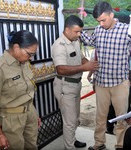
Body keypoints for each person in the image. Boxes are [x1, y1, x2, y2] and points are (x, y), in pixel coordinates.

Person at [80, 2, 131, 150]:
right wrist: (77, 30)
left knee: (121, 118)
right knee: (100, 117)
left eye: (103, 20)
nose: (101, 23)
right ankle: (99, 143)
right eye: (98, 21)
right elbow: (89, 41)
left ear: (112, 15)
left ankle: (120, 145)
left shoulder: (127, 30)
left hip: (120, 83)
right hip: (101, 83)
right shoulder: (98, 30)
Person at [51, 15, 99, 150]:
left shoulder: (75, 41)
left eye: (80, 32)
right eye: (77, 31)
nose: (79, 35)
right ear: (67, 29)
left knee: (75, 118)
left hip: (76, 85)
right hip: (65, 86)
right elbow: (60, 69)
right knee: (69, 121)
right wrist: (85, 67)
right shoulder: (59, 45)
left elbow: (81, 58)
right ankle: (69, 147)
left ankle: (71, 140)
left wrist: (90, 64)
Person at [0, 30, 40, 150]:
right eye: (29, 54)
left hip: (29, 114)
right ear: (16, 47)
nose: (30, 57)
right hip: (11, 120)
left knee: (32, 146)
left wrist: (34, 114)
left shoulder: (24, 63)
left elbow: (28, 92)